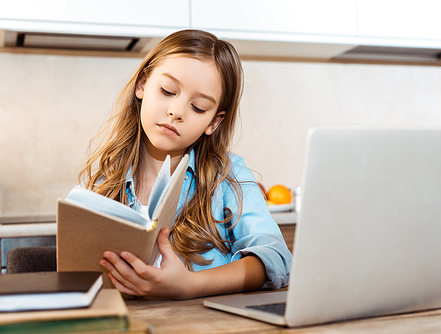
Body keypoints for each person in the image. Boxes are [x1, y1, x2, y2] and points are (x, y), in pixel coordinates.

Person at [78, 29, 293, 299]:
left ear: (214, 122)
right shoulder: (105, 181)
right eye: (168, 91)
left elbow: (275, 257)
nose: (176, 112)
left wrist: (190, 285)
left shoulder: (228, 177)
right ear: (142, 84)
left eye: (199, 107)